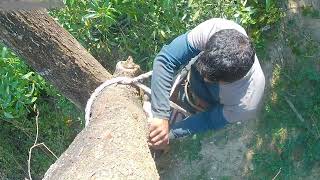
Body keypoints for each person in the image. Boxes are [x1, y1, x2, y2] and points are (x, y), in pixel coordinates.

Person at [147, 18, 265, 149]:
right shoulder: (216, 29)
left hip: (212, 101)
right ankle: (184, 96)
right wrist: (160, 114)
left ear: (229, 81)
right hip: (195, 83)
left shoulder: (246, 103)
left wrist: (169, 134)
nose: (204, 77)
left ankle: (192, 106)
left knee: (199, 105)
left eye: (211, 78)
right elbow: (166, 60)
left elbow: (208, 120)